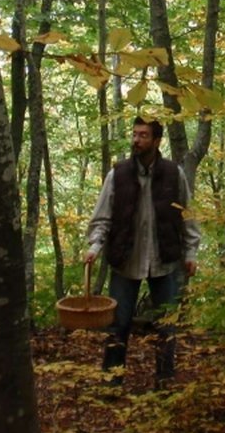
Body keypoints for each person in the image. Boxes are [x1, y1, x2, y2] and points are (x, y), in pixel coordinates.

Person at [84, 116, 200, 388]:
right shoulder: (118, 173)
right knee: (118, 324)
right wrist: (95, 246)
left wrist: (191, 252)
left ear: (157, 141)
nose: (136, 140)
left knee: (166, 325)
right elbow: (103, 216)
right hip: (126, 260)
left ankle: (164, 382)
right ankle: (112, 382)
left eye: (143, 135)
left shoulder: (174, 174)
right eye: (135, 134)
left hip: (165, 261)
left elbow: (188, 216)